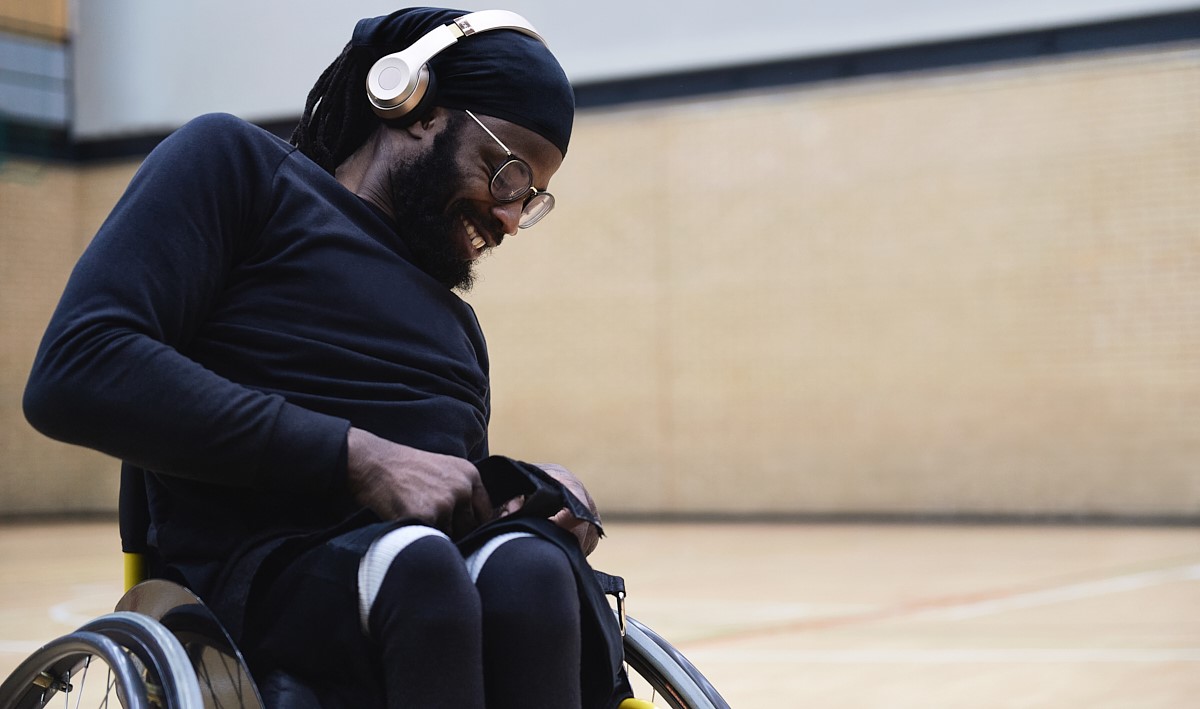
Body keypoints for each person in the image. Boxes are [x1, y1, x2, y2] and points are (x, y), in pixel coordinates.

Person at [23, 7, 627, 708]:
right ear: (415, 105)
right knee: (417, 566)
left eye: (531, 197)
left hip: (418, 614)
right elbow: (79, 365)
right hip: (253, 600)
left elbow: (442, 502)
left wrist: (531, 498)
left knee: (531, 569)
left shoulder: (458, 328)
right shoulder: (241, 171)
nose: (510, 216)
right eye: (505, 173)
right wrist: (359, 455)